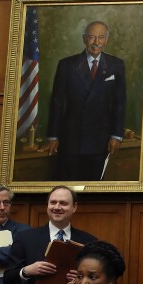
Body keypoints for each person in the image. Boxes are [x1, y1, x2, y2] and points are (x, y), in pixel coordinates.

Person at [46, 20, 126, 181]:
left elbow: (120, 103)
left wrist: (116, 135)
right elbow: (57, 103)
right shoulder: (67, 65)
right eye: (92, 37)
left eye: (101, 37)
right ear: (84, 39)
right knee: (67, 188)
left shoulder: (116, 65)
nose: (96, 42)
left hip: (101, 140)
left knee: (94, 192)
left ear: (106, 40)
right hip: (71, 139)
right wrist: (53, 136)